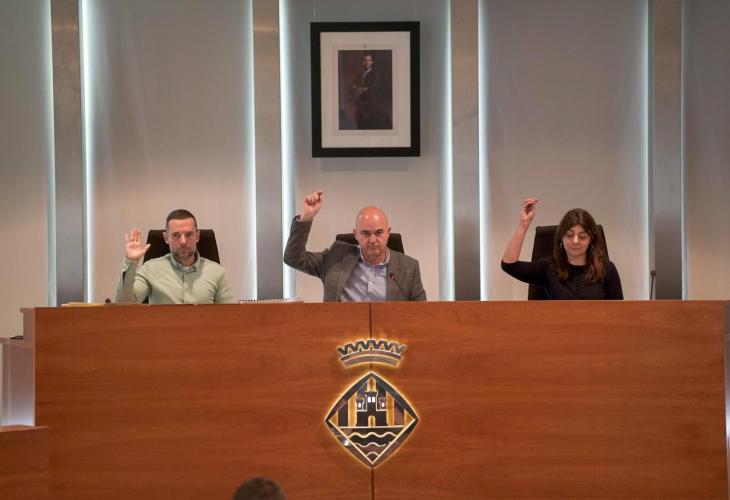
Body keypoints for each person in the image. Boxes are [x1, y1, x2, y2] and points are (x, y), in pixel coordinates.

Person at [284, 191, 426, 302]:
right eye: (365, 233)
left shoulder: (409, 267)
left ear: (388, 233)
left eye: (379, 232)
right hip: (342, 330)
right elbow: (293, 258)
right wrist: (307, 217)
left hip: (390, 331)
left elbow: (422, 314)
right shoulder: (335, 258)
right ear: (356, 234)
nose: (373, 240)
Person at [501, 198, 623, 300]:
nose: (575, 241)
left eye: (582, 236)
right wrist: (524, 224)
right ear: (561, 237)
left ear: (591, 239)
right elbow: (509, 265)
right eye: (569, 235)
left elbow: (619, 313)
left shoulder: (607, 270)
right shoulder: (548, 268)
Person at [114, 209, 235, 304]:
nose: (183, 241)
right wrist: (131, 261)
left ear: (197, 236)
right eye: (176, 235)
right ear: (166, 238)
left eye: (189, 234)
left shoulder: (217, 272)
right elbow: (124, 304)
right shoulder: (150, 269)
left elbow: (230, 316)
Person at [350, 52, 387, 129]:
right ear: (363, 62)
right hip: (360, 107)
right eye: (365, 60)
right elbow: (353, 85)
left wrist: (360, 89)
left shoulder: (375, 74)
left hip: (370, 107)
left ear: (372, 62)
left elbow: (373, 89)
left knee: (369, 127)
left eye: (369, 60)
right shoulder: (360, 74)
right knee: (360, 126)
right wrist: (357, 88)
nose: (367, 62)